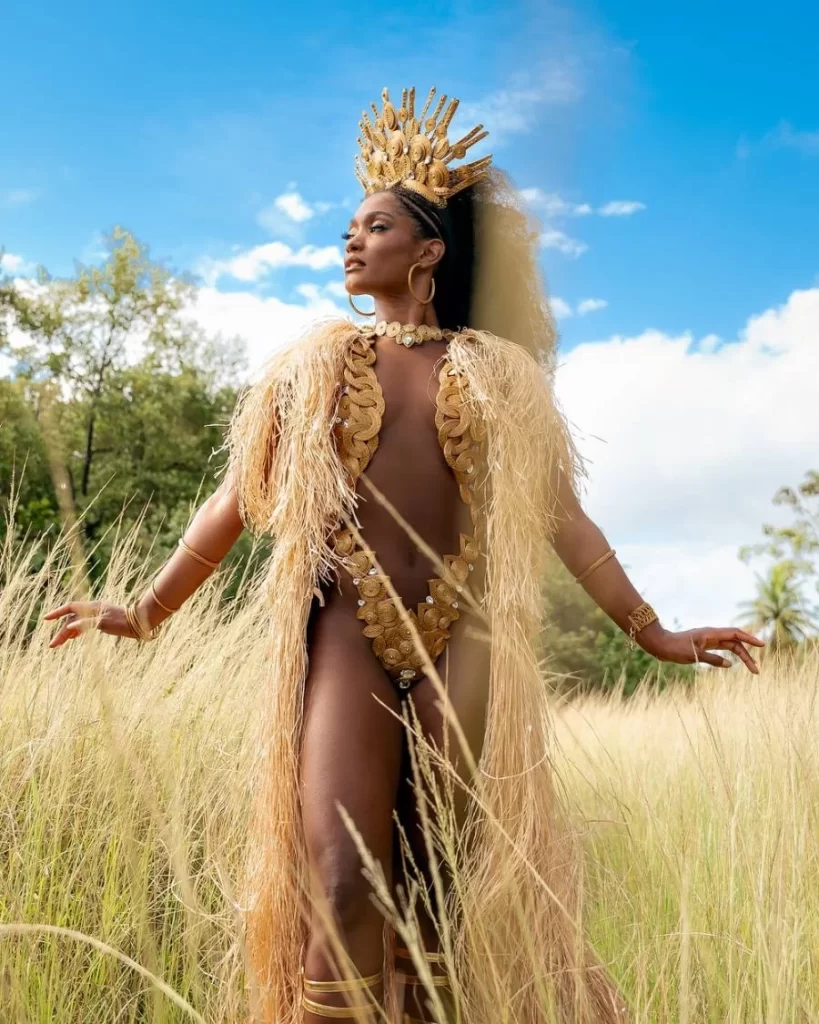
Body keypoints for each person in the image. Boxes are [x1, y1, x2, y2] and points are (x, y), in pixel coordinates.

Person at [45, 86, 764, 1024]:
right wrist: (145, 612)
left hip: (461, 649)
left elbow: (565, 521)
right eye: (350, 227)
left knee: (429, 905)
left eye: (375, 225)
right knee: (342, 885)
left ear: (427, 251)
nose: (351, 241)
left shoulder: (498, 376)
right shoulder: (310, 366)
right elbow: (232, 504)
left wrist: (654, 633)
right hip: (347, 636)